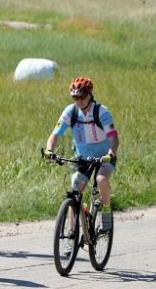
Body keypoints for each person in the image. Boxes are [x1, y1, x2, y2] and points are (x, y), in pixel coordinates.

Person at [43, 76, 119, 231]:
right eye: (75, 97)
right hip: (82, 158)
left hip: (104, 157)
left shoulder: (101, 112)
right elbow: (55, 135)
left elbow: (114, 139)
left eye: (82, 96)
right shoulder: (70, 112)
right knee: (75, 189)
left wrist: (111, 154)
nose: (79, 100)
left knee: (101, 179)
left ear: (90, 94)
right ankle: (72, 231)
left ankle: (106, 209)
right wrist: (49, 150)